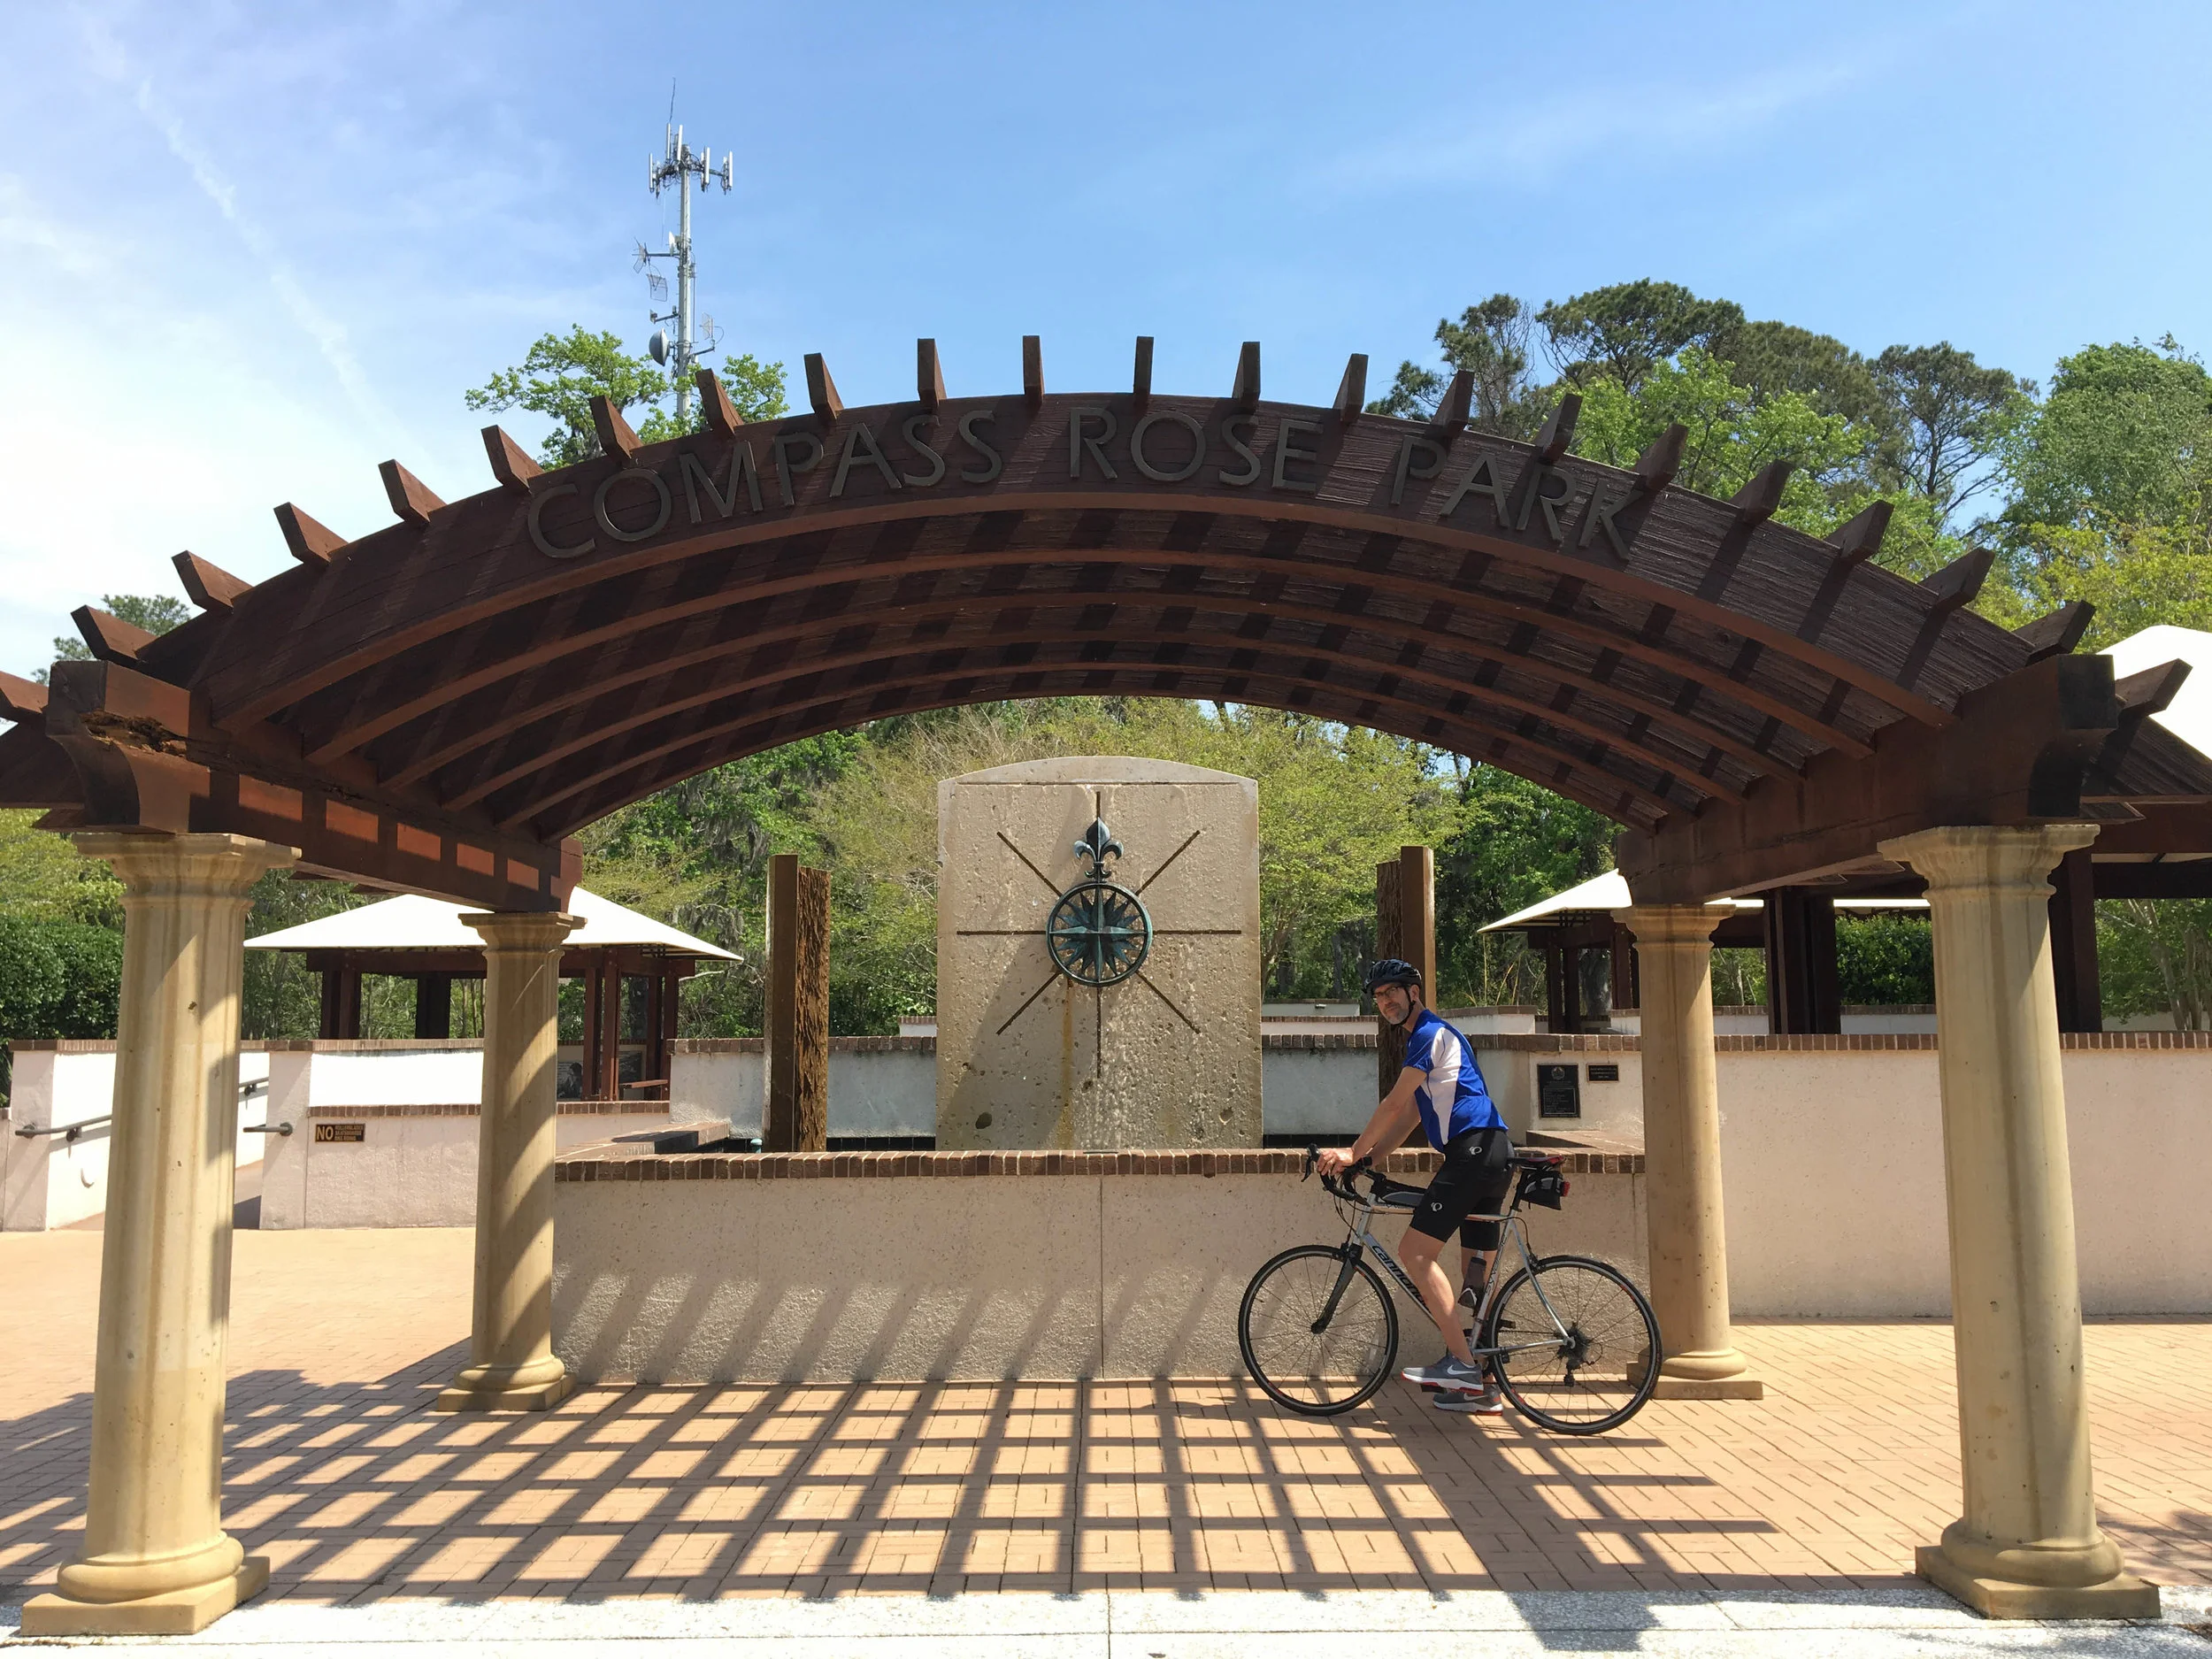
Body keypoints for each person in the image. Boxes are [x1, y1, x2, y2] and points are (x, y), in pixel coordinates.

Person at [1317, 957, 1511, 1415]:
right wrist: (1370, 1160)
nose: (1385, 1002)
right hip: (1493, 1151)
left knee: (1415, 1254)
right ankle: (1484, 1384)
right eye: (1379, 996)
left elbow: (1391, 1103)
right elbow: (1409, 1118)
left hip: (1473, 1152)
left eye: (1393, 993)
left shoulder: (1429, 1033)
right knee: (1474, 1282)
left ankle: (1462, 1365)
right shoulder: (1432, 1040)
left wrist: (1351, 1151)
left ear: (1414, 992)